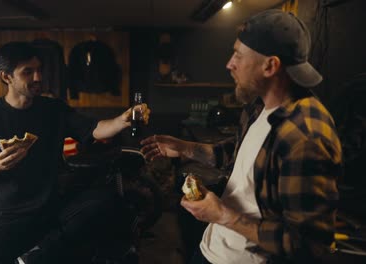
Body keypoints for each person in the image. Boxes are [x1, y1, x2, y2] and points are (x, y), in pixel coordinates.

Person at [141, 9, 341, 263]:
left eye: (238, 55)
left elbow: (308, 245)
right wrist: (184, 148)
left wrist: (223, 214)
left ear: (270, 66)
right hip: (213, 247)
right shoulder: (259, 107)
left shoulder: (306, 136)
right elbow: (238, 154)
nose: (229, 64)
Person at [0, 41, 150, 264]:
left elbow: (94, 129)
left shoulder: (53, 109)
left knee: (107, 201)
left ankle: (37, 254)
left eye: (39, 70)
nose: (38, 77)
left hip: (51, 207)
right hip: (7, 214)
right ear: (6, 77)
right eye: (28, 72)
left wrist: (123, 119)